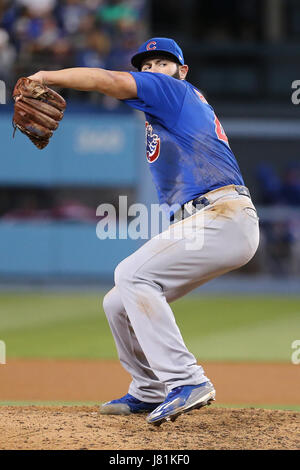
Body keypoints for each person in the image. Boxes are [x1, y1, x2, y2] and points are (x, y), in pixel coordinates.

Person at [28, 37, 260, 426]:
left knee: (132, 273)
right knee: (117, 302)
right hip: (212, 220)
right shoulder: (169, 112)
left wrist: (46, 75)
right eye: (146, 65)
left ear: (181, 71)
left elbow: (105, 80)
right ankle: (149, 389)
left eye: (162, 63)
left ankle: (187, 381)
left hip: (223, 215)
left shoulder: (172, 91)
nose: (153, 70)